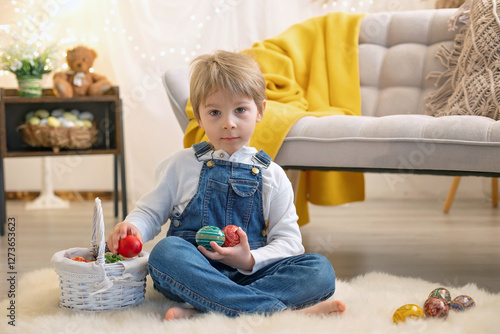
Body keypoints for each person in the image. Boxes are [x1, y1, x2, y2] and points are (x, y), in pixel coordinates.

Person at [106, 50, 345, 320]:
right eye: (215, 112)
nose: (229, 124)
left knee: (319, 270)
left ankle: (204, 308)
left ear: (260, 111)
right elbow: (150, 212)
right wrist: (133, 226)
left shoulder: (273, 175)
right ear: (199, 116)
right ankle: (277, 312)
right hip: (193, 272)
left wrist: (248, 260)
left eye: (240, 110)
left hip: (251, 273)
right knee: (165, 253)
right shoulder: (180, 165)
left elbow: (289, 242)